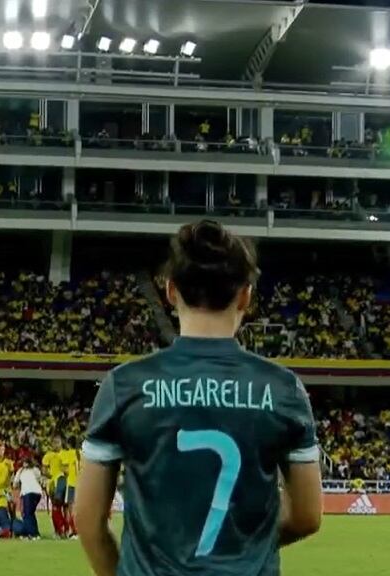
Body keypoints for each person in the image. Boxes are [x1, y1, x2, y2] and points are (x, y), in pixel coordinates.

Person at [75, 220, 323, 576]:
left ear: (170, 291)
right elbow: (307, 515)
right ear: (245, 295)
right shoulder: (284, 389)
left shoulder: (124, 385)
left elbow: (87, 519)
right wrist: (245, 543)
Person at [42, 436, 68, 538]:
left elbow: (68, 469)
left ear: (61, 443)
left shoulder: (66, 454)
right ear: (51, 444)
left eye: (58, 442)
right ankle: (58, 530)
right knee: (56, 507)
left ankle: (66, 530)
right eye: (54, 443)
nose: (56, 445)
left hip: (64, 482)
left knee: (65, 508)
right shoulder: (48, 456)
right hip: (53, 483)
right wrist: (52, 476)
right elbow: (44, 470)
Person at [13, 457, 44, 539]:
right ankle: (36, 533)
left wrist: (18, 484)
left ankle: (31, 534)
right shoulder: (35, 470)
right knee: (31, 513)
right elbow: (39, 479)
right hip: (38, 493)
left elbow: (15, 484)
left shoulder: (21, 471)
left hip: (28, 493)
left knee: (27, 514)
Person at [59, 436, 81, 539]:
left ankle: (74, 532)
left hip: (72, 483)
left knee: (71, 509)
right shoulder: (82, 454)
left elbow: (64, 469)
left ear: (68, 444)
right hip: (81, 484)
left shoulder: (68, 454)